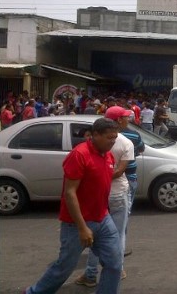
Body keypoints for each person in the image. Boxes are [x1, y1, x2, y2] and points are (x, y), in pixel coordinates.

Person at [24, 118, 122, 294]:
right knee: (65, 267)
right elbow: (70, 193)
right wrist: (82, 227)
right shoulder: (79, 155)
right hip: (77, 223)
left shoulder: (107, 154)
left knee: (114, 263)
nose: (113, 141)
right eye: (109, 137)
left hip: (103, 218)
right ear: (95, 135)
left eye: (115, 137)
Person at [76, 106, 135, 287]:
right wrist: (102, 175)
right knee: (118, 235)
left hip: (100, 194)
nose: (128, 120)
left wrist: (96, 177)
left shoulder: (95, 142)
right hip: (116, 194)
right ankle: (118, 268)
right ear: (116, 121)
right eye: (125, 117)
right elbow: (120, 171)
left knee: (97, 238)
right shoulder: (125, 142)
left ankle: (91, 273)